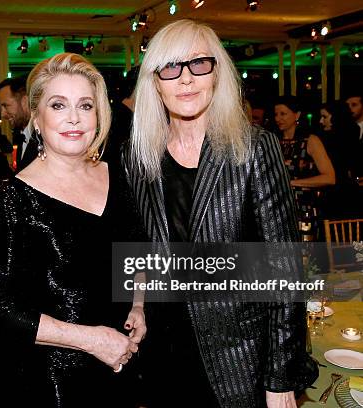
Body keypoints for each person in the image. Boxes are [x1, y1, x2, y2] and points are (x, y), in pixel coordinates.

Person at [124, 19, 317, 408]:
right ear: (155, 82)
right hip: (165, 352)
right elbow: (143, 249)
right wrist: (139, 303)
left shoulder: (253, 147)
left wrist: (279, 377)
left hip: (240, 357)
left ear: (217, 73)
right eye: (171, 68)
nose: (186, 80)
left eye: (199, 64)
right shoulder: (139, 155)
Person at [0, 53, 147, 407]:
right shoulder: (12, 197)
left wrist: (139, 305)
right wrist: (91, 340)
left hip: (121, 370)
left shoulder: (118, 178)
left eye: (85, 105)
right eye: (58, 105)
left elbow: (136, 252)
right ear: (38, 118)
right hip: (50, 383)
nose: (74, 118)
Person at [274, 96, 335, 241]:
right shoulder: (274, 140)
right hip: (279, 208)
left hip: (304, 210)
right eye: (276, 114)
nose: (278, 118)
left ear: (297, 115)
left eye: (283, 114)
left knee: (306, 257)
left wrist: (291, 183)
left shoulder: (310, 140)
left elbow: (329, 177)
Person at [0, 77, 36, 171]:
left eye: (6, 106)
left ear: (25, 102)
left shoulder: (46, 140)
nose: (3, 114)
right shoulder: (23, 138)